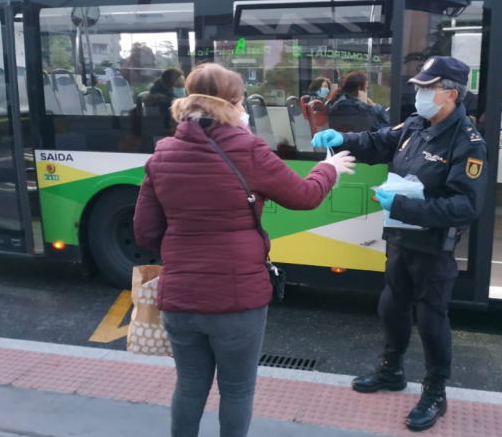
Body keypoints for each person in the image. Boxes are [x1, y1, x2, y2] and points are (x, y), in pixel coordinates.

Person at [133, 63, 355, 437]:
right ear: (235, 104)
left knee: (189, 386)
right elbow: (305, 196)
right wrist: (329, 168)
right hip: (237, 300)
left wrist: (185, 250)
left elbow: (145, 233)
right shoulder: (248, 148)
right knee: (236, 390)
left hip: (180, 298)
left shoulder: (163, 153)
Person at [312, 56, 488, 432]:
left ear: (451, 94)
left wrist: (404, 205)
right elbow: (377, 142)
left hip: (432, 246)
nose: (420, 93)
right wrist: (342, 138)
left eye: (428, 88)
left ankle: (435, 391)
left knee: (430, 317)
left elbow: (466, 205)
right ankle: (391, 370)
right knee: (392, 305)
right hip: (400, 238)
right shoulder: (415, 124)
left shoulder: (468, 143)